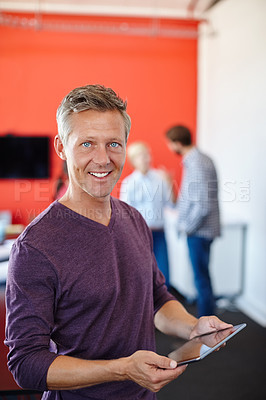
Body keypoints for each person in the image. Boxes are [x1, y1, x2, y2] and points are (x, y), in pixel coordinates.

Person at [5, 85, 230, 400]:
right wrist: (121, 369)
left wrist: (193, 327)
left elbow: (156, 298)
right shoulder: (35, 247)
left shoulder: (134, 219)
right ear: (61, 147)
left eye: (114, 143)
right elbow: (26, 364)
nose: (102, 159)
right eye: (86, 144)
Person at [165, 125, 221, 317]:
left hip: (199, 232)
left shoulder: (196, 163)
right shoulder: (201, 159)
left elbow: (202, 205)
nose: (170, 148)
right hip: (203, 231)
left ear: (178, 143)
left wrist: (186, 228)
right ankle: (208, 324)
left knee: (201, 280)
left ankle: (207, 329)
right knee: (203, 278)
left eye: (170, 144)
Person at [120, 141, 173, 287]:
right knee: (142, 277)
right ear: (133, 161)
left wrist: (170, 182)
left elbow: (171, 203)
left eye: (147, 155)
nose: (145, 158)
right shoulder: (129, 183)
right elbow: (125, 213)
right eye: (140, 156)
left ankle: (163, 309)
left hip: (159, 234)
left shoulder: (161, 178)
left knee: (164, 276)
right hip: (140, 235)